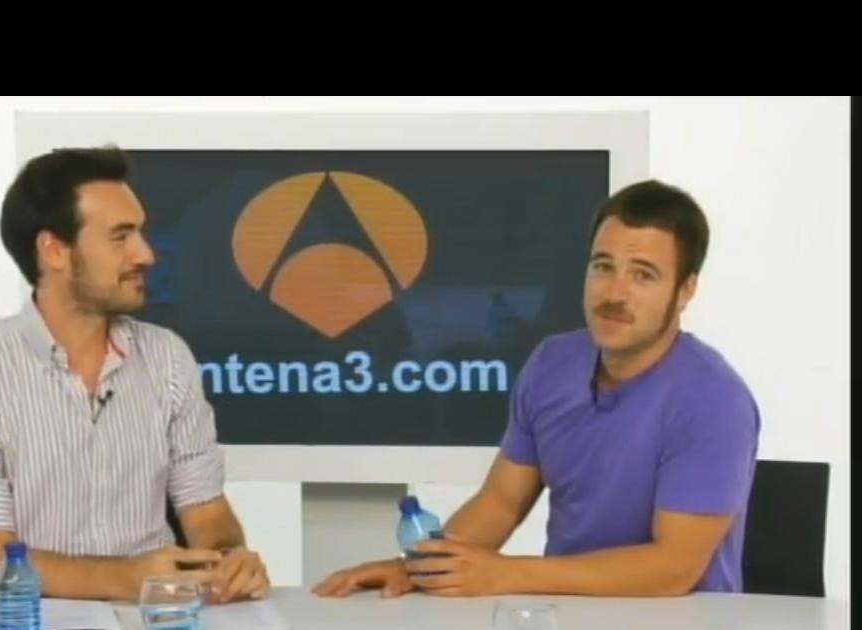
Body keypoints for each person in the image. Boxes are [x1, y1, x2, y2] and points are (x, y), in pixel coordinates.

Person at [315, 179, 759, 598]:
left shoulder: (714, 401)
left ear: (685, 291)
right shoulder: (552, 363)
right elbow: (501, 501)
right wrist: (419, 568)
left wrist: (505, 574)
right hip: (567, 616)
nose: (615, 293)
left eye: (643, 275)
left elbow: (673, 568)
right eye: (603, 267)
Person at [0, 146, 269, 602]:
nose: (146, 254)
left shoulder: (167, 357)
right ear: (55, 251)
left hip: (161, 617)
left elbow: (206, 510)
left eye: (140, 233)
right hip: (32, 623)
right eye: (121, 237)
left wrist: (228, 558)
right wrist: (126, 579)